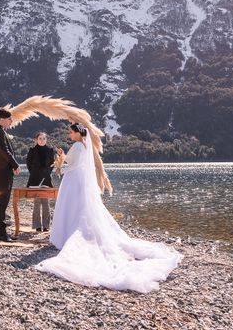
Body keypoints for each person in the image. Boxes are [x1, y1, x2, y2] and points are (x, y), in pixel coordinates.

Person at [36, 123, 181, 293]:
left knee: (71, 207)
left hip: (73, 179)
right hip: (79, 179)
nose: (70, 134)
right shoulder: (84, 145)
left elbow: (71, 163)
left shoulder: (76, 145)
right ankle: (75, 232)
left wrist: (61, 158)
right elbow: (77, 163)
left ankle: (67, 235)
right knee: (80, 208)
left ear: (77, 133)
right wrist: (63, 160)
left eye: (71, 132)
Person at [0, 108, 20, 242]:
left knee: (3, 202)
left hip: (4, 171)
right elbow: (5, 151)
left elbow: (6, 152)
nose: (11, 121)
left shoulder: (1, 131)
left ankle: (1, 232)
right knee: (1, 203)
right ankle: (1, 234)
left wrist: (12, 166)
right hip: (2, 172)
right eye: (9, 119)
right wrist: (15, 165)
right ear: (1, 119)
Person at [25, 132, 55, 232]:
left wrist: (45, 173)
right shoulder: (32, 150)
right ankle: (37, 225)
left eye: (43, 138)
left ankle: (46, 225)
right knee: (37, 202)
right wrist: (34, 173)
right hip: (34, 179)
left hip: (46, 179)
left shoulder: (50, 150)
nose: (42, 140)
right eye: (40, 138)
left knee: (46, 202)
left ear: (46, 140)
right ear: (36, 140)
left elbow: (52, 164)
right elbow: (28, 164)